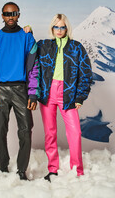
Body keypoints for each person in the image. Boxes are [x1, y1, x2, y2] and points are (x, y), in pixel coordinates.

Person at [0, 2, 40, 180]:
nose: (10, 17)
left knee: (26, 131)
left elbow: (34, 67)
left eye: (14, 13)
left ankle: (22, 171)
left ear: (19, 15)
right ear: (2, 16)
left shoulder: (27, 37)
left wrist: (32, 93)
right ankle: (3, 167)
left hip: (21, 89)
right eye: (7, 14)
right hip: (0, 91)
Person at [37, 14, 92, 181]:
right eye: (56, 27)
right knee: (50, 133)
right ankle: (52, 169)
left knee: (75, 132)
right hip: (48, 93)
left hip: (67, 93)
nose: (59, 30)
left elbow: (86, 73)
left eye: (62, 27)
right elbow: (28, 52)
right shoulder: (44, 46)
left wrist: (80, 96)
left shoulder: (76, 47)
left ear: (67, 28)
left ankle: (77, 170)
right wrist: (28, 31)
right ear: (52, 28)